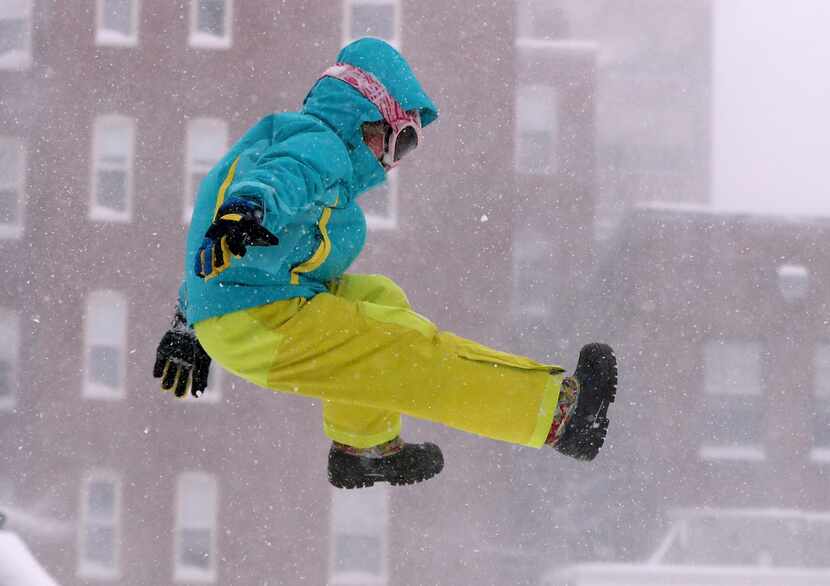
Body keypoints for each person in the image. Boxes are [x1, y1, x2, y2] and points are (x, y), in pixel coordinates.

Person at [153, 38, 618, 489]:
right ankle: (557, 414)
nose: (392, 163)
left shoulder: (289, 138)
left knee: (379, 297)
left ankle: (363, 446)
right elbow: (280, 179)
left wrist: (188, 315)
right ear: (364, 121)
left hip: (258, 300)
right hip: (257, 317)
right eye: (401, 142)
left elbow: (225, 226)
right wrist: (250, 208)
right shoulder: (320, 146)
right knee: (405, 352)